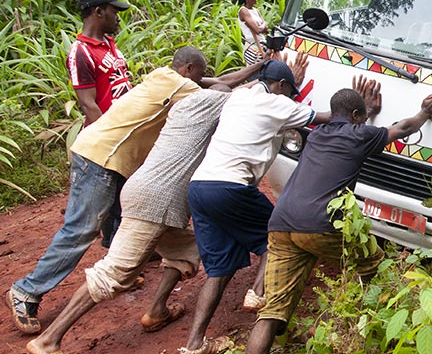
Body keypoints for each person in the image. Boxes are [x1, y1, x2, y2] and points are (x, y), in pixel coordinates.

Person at [229, 79, 432, 354]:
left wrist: (366, 115)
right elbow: (403, 127)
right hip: (321, 225)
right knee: (377, 268)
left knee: (272, 310)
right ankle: (379, 338)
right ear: (357, 115)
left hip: (281, 223)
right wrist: (424, 111)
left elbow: (351, 131)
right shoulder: (361, 134)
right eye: (362, 116)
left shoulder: (317, 134)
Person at [7, 48, 262, 336]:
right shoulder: (185, 89)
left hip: (119, 165)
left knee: (162, 238)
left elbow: (213, 83)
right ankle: (32, 301)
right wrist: (263, 77)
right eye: (200, 75)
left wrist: (259, 67)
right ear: (189, 69)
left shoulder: (165, 78)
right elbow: (223, 91)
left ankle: (149, 289)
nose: (202, 80)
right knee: (84, 234)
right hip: (105, 158)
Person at [16, 85, 233, 354]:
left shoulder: (184, 107)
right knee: (113, 274)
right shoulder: (219, 104)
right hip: (157, 202)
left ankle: (157, 310)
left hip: (145, 191)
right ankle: (47, 342)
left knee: (188, 250)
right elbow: (248, 95)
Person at [179, 59, 330, 354]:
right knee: (278, 234)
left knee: (218, 269)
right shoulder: (278, 103)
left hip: (200, 186)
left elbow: (261, 87)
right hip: (230, 187)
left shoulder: (241, 96)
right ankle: (258, 294)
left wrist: (286, 82)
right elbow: (326, 117)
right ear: (282, 88)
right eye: (289, 91)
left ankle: (193, 346)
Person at [69, 0, 134, 247]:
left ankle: (123, 246)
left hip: (123, 130)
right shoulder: (80, 52)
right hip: (108, 135)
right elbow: (88, 104)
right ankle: (114, 252)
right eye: (113, 11)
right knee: (108, 199)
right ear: (98, 12)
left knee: (123, 193)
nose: (117, 17)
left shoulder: (109, 44)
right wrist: (111, 137)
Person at [237, 0, 269, 66]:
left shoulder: (256, 10)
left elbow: (266, 30)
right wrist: (264, 24)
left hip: (262, 44)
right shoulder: (243, 11)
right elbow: (258, 30)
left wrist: (262, 26)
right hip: (253, 47)